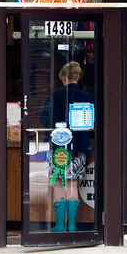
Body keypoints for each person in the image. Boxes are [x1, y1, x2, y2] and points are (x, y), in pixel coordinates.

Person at [43, 61, 94, 233]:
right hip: (79, 146)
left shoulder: (55, 95)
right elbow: (91, 124)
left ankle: (59, 226)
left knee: (58, 183)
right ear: (78, 77)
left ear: (63, 78)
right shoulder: (86, 97)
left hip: (58, 146)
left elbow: (45, 119)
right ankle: (72, 226)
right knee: (73, 185)